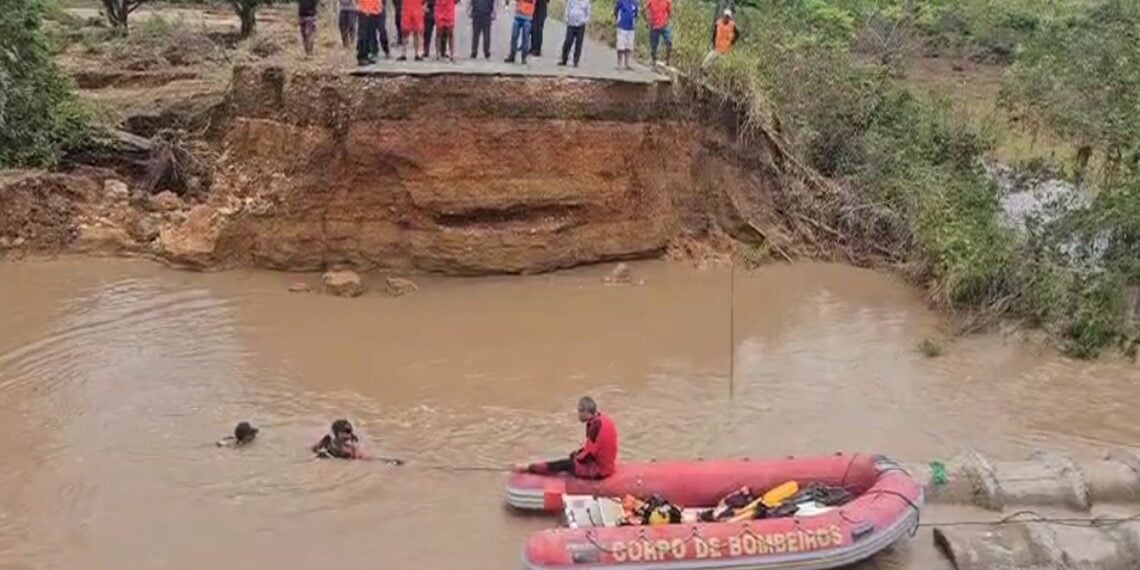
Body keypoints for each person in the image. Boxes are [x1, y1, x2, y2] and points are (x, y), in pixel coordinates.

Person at [513, 396, 619, 479]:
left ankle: (529, 467)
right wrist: (578, 455)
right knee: (573, 457)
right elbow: (593, 448)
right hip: (607, 465)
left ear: (586, 412)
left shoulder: (595, 426)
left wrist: (574, 459)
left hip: (600, 470)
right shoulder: (602, 419)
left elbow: (589, 455)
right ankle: (532, 467)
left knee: (563, 464)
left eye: (579, 412)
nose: (578, 415)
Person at [356, 0, 390, 65]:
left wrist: (379, 7)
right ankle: (362, 56)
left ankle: (367, 55)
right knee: (363, 34)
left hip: (374, 10)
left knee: (370, 34)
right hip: (364, 10)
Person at [557, 0, 589, 67]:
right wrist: (566, 19)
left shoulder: (586, 2)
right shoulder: (571, 1)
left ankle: (576, 61)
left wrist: (584, 21)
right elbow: (567, 9)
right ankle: (564, 59)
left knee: (578, 43)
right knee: (568, 41)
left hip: (580, 25)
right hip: (571, 23)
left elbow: (588, 13)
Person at [646, 0, 672, 66]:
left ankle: (667, 60)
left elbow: (669, 11)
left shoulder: (667, 1)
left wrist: (667, 20)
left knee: (669, 41)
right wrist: (648, 20)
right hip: (654, 24)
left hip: (664, 24)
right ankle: (653, 60)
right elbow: (646, 10)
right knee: (654, 44)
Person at [613, 0, 638, 71]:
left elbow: (636, 14)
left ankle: (627, 63)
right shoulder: (621, 1)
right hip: (622, 26)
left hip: (631, 27)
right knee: (620, 46)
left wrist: (634, 22)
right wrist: (618, 19)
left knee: (629, 46)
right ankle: (619, 64)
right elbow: (616, 10)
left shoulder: (635, 3)